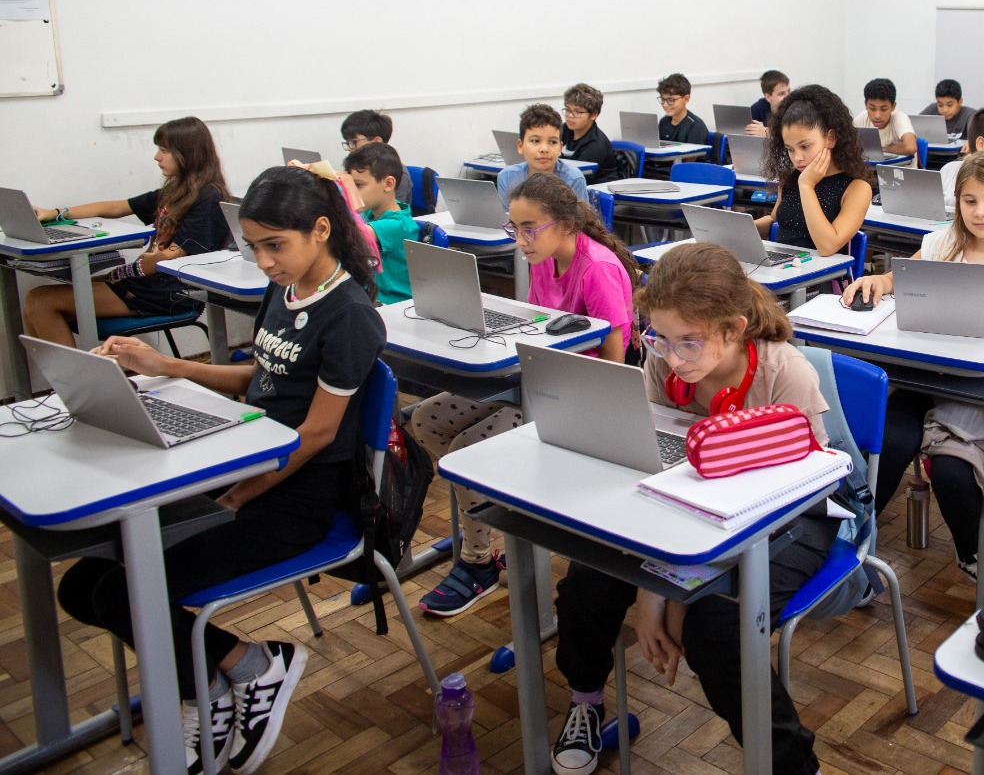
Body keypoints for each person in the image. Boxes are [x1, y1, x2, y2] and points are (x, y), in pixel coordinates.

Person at [59, 166, 386, 773]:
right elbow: (261, 376)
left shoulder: (350, 315)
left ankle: (215, 687)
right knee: (81, 585)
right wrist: (168, 366)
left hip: (296, 500)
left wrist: (236, 495)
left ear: (320, 230)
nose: (263, 261)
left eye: (274, 245)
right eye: (254, 246)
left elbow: (316, 433)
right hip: (245, 465)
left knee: (122, 591)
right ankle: (235, 668)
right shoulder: (285, 289)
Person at [551, 243, 836, 775]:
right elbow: (649, 468)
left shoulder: (784, 373)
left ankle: (794, 766)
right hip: (682, 507)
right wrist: (656, 583)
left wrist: (669, 588)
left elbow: (801, 491)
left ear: (734, 329)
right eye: (659, 338)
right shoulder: (664, 361)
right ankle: (585, 701)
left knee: (717, 629)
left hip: (786, 518)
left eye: (689, 342)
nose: (673, 357)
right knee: (588, 578)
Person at [410, 172, 638, 617]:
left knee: (467, 451)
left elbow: (616, 361)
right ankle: (481, 514)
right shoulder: (543, 258)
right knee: (425, 420)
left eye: (529, 229)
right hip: (535, 378)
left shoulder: (598, 269)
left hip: (577, 397)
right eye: (513, 228)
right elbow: (539, 323)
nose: (519, 240)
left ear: (566, 224)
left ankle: (478, 561)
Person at [847, 151, 984, 587]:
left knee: (951, 470)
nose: (980, 212)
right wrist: (880, 281)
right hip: (930, 377)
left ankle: (971, 552)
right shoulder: (943, 243)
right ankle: (856, 547)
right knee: (890, 439)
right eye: (970, 201)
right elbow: (901, 278)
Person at [24, 116, 231, 346]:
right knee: (35, 305)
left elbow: (170, 256)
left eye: (164, 150)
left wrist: (129, 270)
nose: (157, 157)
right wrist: (55, 213)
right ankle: (66, 370)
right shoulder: (175, 190)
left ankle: (77, 371)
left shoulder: (208, 196)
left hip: (169, 293)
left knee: (40, 301)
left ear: (188, 154)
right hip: (150, 284)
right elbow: (116, 207)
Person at [752, 84, 873, 257]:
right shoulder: (790, 179)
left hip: (825, 273)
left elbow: (828, 246)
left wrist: (807, 186)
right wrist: (736, 230)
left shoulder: (857, 188)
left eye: (805, 146)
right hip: (784, 267)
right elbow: (775, 221)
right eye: (790, 149)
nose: (797, 158)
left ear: (830, 138)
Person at [342, 141, 418, 304]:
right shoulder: (368, 214)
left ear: (388, 184)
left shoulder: (399, 224)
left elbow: (350, 233)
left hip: (393, 305)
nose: (352, 192)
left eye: (358, 185)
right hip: (371, 299)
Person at [497, 103, 588, 208]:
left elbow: (580, 218)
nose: (544, 149)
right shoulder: (507, 177)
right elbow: (507, 217)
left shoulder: (573, 179)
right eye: (535, 141)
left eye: (553, 142)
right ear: (520, 146)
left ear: (560, 147)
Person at [340, 108, 413, 205]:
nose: (350, 148)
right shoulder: (358, 169)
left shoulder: (398, 174)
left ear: (377, 141)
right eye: (348, 143)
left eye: (354, 142)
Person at [560, 83, 622, 184]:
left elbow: (575, 177)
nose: (570, 115)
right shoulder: (564, 129)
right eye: (568, 110)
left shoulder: (596, 144)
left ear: (593, 115)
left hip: (595, 188)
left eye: (578, 112)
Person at [853, 77, 917, 157]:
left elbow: (910, 147)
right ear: (866, 105)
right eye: (872, 109)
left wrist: (883, 149)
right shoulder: (863, 118)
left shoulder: (900, 118)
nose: (877, 115)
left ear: (893, 106)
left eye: (884, 109)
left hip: (901, 165)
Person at [656, 72, 710, 146]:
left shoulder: (696, 126)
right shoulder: (663, 122)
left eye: (671, 100)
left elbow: (693, 153)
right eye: (662, 99)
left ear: (686, 99)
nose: (665, 104)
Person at [746, 69, 790, 137]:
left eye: (789, 91)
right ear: (768, 97)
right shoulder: (758, 108)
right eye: (781, 94)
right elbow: (747, 132)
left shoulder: (795, 107)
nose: (788, 96)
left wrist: (766, 131)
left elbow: (794, 134)